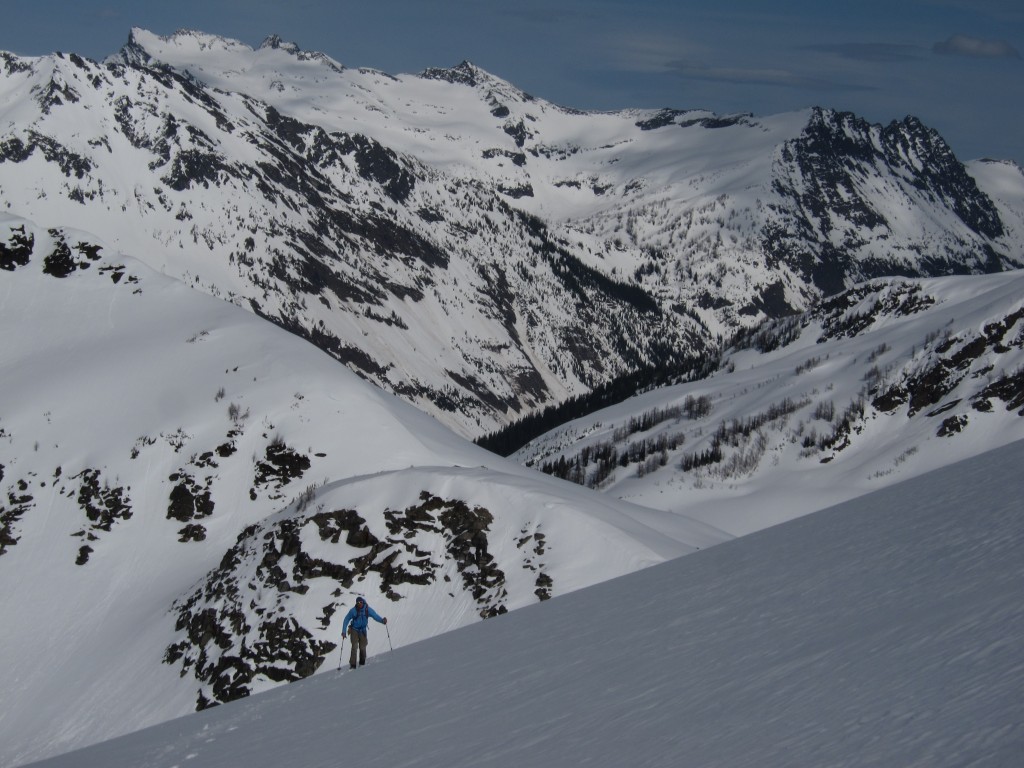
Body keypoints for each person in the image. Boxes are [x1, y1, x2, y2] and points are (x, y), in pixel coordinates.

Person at [341, 596, 387, 669]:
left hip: (362, 630)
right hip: (354, 629)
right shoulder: (353, 611)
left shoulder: (367, 609)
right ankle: (353, 665)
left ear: (363, 602)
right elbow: (346, 619)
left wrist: (382, 620)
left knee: (362, 647)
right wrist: (343, 631)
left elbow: (375, 616)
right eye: (358, 603)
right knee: (354, 646)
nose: (359, 604)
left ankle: (362, 663)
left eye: (360, 602)